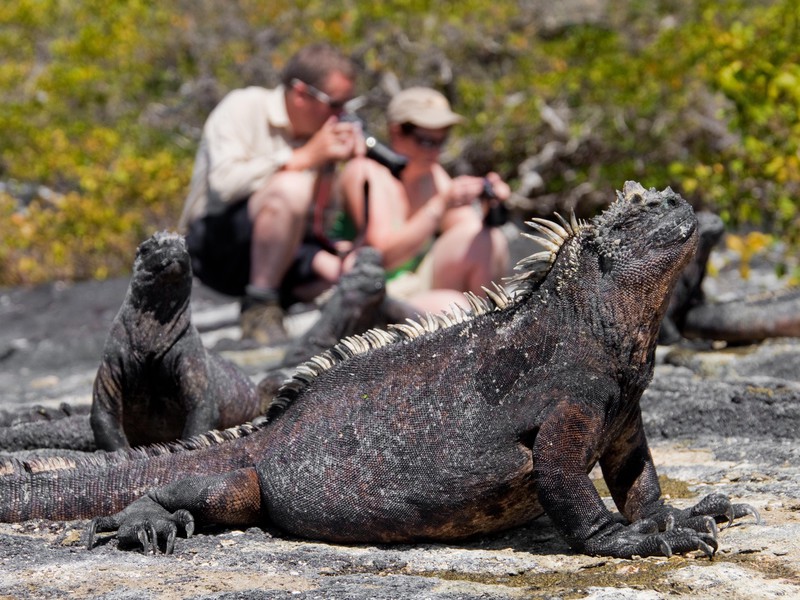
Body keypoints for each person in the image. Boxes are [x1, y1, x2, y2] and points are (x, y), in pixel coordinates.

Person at [178, 44, 364, 344]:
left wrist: (345, 166)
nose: (341, 115)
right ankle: (260, 307)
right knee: (287, 189)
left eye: (347, 105)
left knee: (354, 270)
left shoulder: (323, 134)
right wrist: (302, 158)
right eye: (335, 103)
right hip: (219, 246)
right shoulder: (244, 106)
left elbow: (323, 220)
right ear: (301, 93)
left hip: (289, 251)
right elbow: (224, 185)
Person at [337, 87, 510, 314]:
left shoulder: (434, 175)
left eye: (442, 141)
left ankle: (497, 325)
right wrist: (439, 206)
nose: (435, 152)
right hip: (379, 293)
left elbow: (468, 232)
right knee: (451, 307)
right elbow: (383, 257)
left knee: (490, 239)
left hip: (419, 282)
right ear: (396, 132)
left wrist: (489, 205)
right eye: (427, 142)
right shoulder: (366, 172)